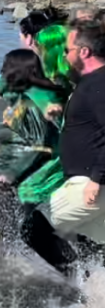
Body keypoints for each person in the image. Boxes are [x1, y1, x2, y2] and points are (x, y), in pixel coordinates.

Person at [0, 50, 74, 273]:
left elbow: (41, 146)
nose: (2, 72)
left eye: (5, 68)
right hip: (28, 167)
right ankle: (9, 255)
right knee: (0, 207)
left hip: (34, 170)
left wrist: (11, 172)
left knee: (9, 211)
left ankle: (69, 266)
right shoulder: (25, 95)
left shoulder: (34, 100)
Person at [40, 20, 105, 246]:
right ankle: (92, 279)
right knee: (93, 241)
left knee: (36, 216)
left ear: (84, 52)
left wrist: (97, 179)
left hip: (90, 186)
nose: (65, 56)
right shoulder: (89, 82)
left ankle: (66, 276)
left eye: (67, 51)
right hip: (88, 183)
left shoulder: (98, 85)